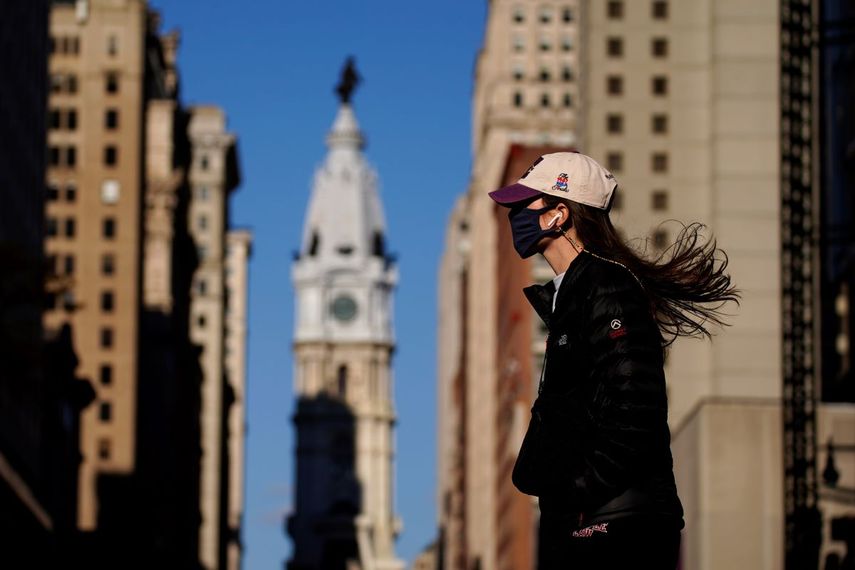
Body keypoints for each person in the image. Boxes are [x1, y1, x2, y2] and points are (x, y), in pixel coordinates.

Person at [488, 152, 739, 569]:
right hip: (591, 520)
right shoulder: (573, 292)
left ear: (558, 214)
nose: (514, 214)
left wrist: (578, 491)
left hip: (615, 524)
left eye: (524, 204)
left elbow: (636, 407)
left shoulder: (606, 285)